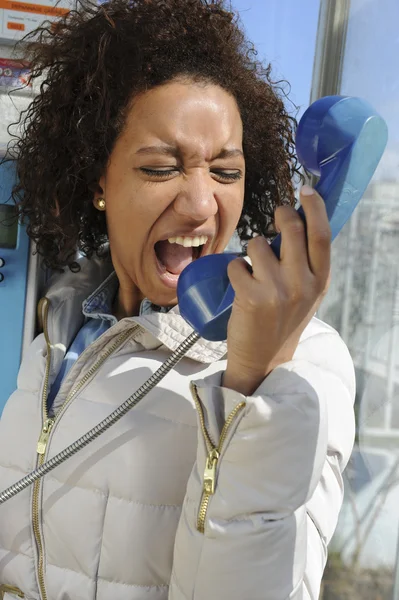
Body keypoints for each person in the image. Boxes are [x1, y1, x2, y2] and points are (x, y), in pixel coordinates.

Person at [0, 0, 356, 598]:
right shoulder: (59, 334)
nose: (200, 205)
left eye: (225, 171)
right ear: (98, 183)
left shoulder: (306, 363)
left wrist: (254, 385)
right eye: (163, 168)